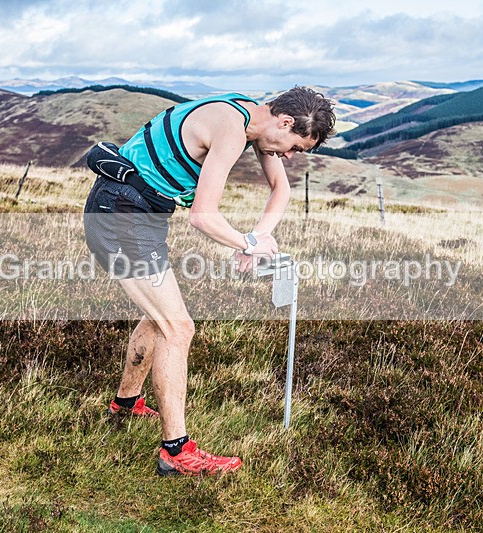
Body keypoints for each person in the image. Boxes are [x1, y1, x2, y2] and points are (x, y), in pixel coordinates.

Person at [83, 86, 335, 476]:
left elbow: (280, 189)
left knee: (159, 318)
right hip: (120, 213)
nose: (288, 156)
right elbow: (202, 215)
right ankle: (176, 452)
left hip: (138, 215)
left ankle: (126, 404)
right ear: (285, 122)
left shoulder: (250, 117)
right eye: (294, 147)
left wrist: (253, 241)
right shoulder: (232, 127)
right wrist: (247, 242)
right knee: (178, 329)